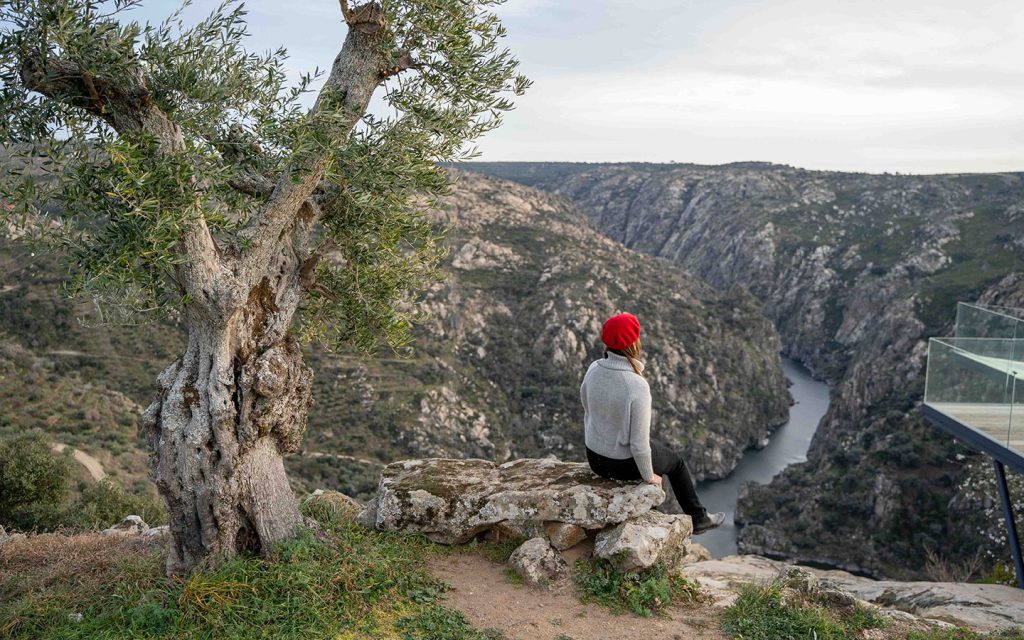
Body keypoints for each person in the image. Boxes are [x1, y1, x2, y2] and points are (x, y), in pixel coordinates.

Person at [581, 312, 725, 534]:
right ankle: (699, 518)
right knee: (676, 463)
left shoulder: (593, 369)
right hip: (622, 465)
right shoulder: (636, 385)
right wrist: (649, 477)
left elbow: (588, 410)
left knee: (656, 452)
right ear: (634, 343)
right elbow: (638, 443)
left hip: (594, 458)